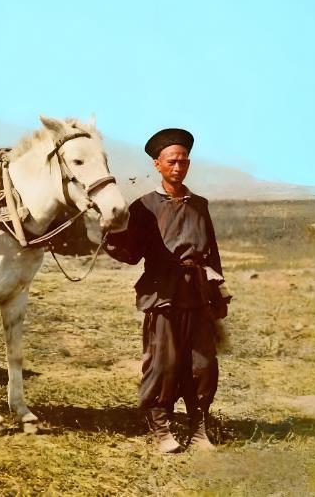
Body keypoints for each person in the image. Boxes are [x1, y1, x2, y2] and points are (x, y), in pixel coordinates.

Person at [105, 128, 231, 454]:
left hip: (197, 295)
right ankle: (161, 428)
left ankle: (200, 429)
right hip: (162, 295)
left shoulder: (200, 205)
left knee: (203, 366)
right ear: (157, 164)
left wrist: (218, 292)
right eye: (172, 162)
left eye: (184, 161)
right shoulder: (145, 206)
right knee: (164, 363)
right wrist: (111, 234)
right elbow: (130, 253)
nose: (178, 167)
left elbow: (211, 253)